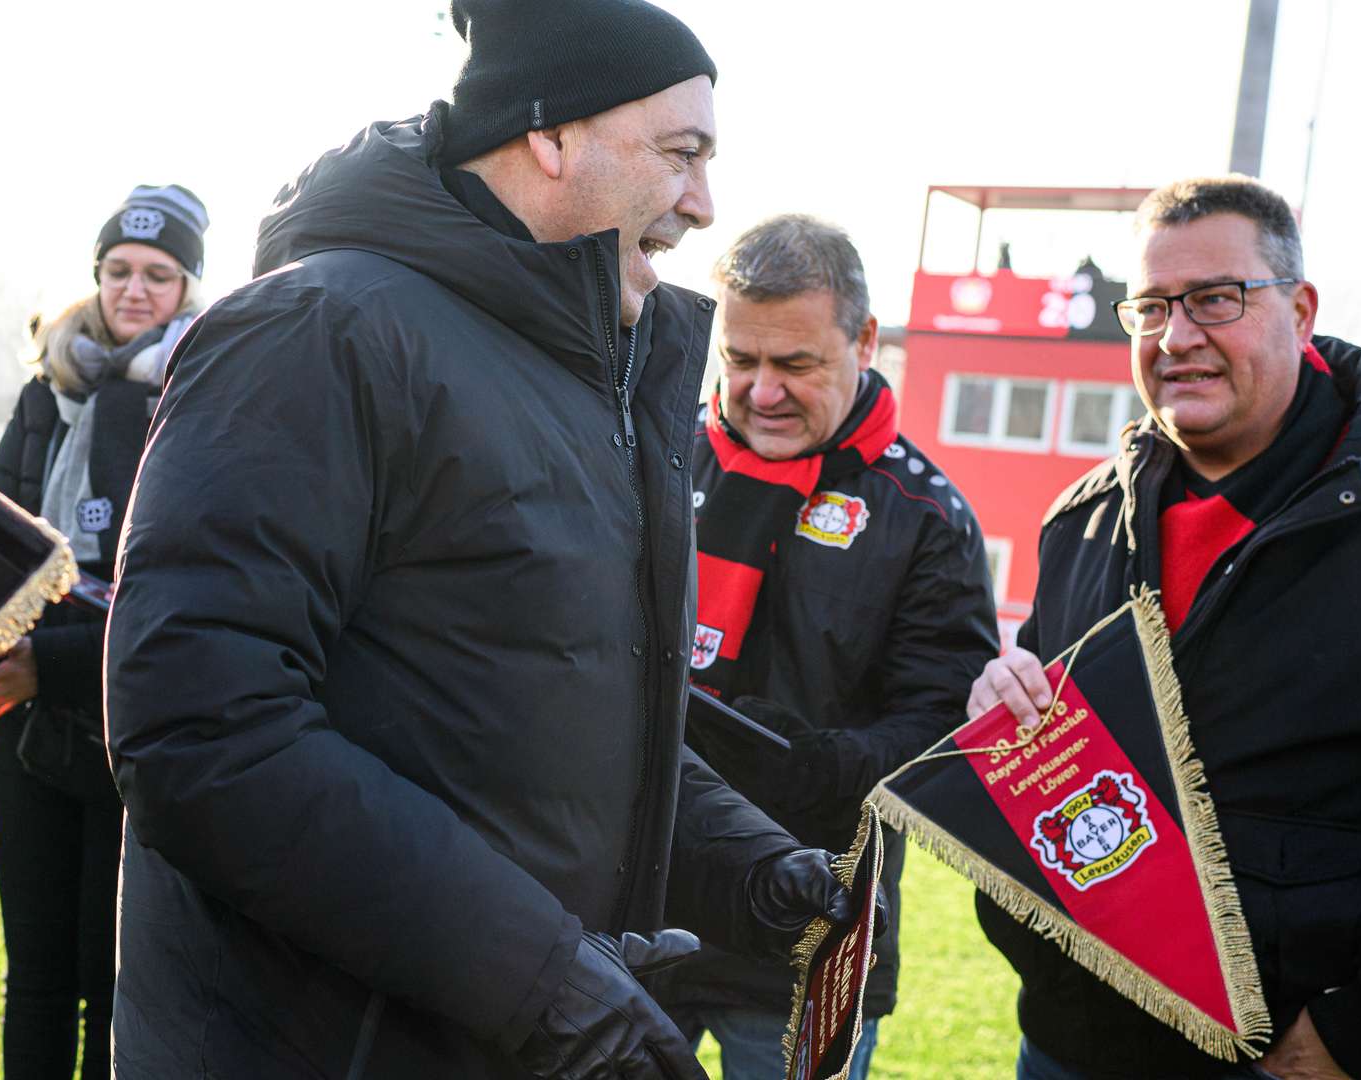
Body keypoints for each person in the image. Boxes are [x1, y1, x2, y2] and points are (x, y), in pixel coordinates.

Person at [103, 2, 869, 1076]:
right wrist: (542, 982)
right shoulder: (319, 331)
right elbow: (202, 733)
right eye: (681, 153)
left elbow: (557, 702)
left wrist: (746, 864)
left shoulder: (601, 370)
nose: (704, 203)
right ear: (551, 135)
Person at [964, 175, 1361, 1079]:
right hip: (1067, 1043)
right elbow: (1054, 755)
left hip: (1295, 1058)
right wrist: (1002, 702)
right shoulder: (1080, 517)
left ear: (1302, 309)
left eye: (1215, 299)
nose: (1176, 337)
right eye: (1153, 307)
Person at [646, 215, 1000, 1078]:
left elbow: (950, 731)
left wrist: (817, 766)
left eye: (795, 365)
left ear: (866, 342)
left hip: (811, 939)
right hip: (642, 924)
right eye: (740, 360)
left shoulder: (926, 517)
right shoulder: (656, 459)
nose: (761, 391)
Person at [0, 184, 208, 1080]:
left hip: (124, 719)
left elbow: (188, 594)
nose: (134, 290)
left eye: (158, 274)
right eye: (117, 271)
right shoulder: (46, 388)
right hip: (21, 717)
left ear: (189, 285)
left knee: (112, 981)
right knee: (35, 979)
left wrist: (49, 665)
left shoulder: (204, 393)